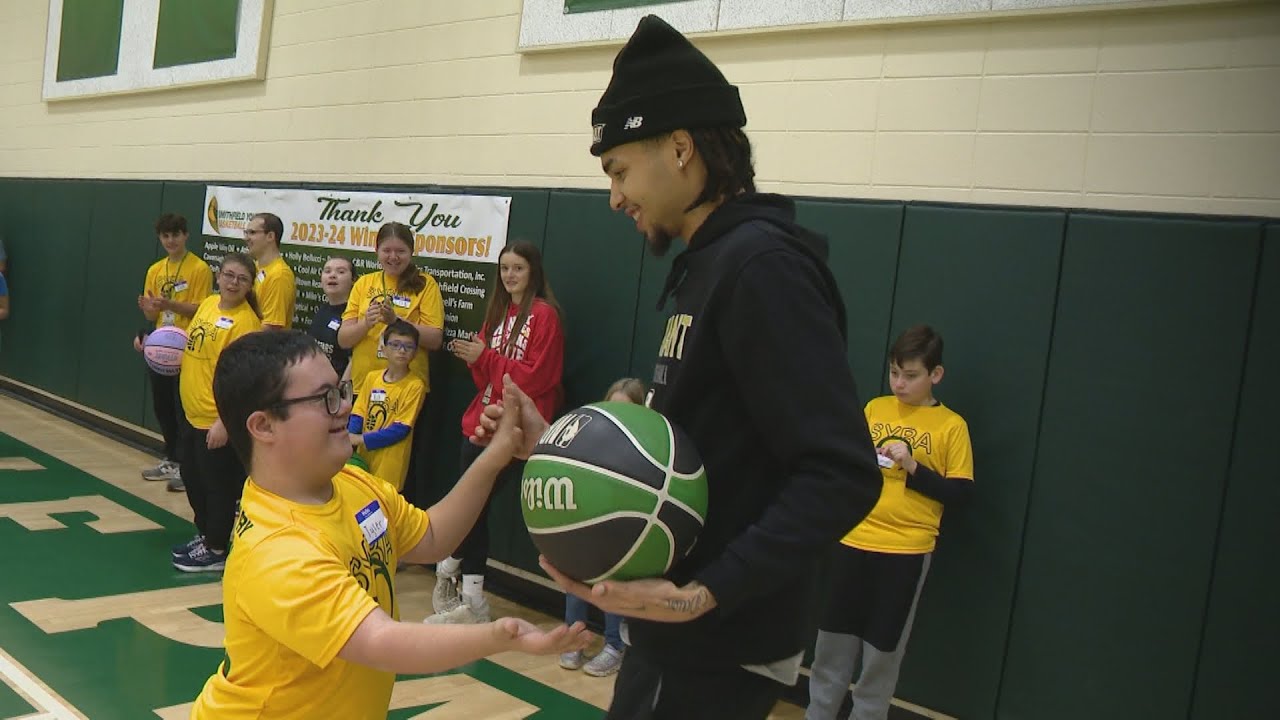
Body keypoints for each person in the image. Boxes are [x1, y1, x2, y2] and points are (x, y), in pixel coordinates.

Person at [478, 16, 883, 719]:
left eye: (620, 170)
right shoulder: (709, 265)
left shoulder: (762, 268)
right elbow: (702, 448)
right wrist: (561, 447)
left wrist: (703, 590)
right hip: (681, 638)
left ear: (681, 147)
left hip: (715, 641)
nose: (615, 197)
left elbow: (842, 472)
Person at [187, 330, 591, 719]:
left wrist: (497, 454)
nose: (345, 405)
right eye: (325, 398)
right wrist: (502, 637)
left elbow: (431, 537)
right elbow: (380, 641)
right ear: (263, 426)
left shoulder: (349, 483)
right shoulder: (278, 551)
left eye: (342, 390)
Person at [805, 325, 974, 720]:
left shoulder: (952, 426)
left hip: (905, 552)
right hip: (853, 541)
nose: (899, 383)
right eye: (894, 372)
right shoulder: (875, 409)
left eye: (910, 375)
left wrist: (913, 466)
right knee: (831, 649)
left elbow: (962, 495)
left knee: (881, 656)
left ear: (936, 375)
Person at [426, 240, 564, 625]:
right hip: (483, 421)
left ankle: (452, 571)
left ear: (532, 271)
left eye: (517, 267)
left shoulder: (544, 315)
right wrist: (477, 358)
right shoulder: (499, 312)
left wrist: (484, 356)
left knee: (475, 507)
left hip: (517, 430)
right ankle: (468, 593)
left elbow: (539, 378)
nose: (509, 275)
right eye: (504, 268)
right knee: (474, 506)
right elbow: (485, 375)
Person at [172, 252, 263, 572]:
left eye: (242, 279)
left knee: (218, 486)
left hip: (216, 419)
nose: (234, 283)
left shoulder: (246, 323)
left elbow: (244, 381)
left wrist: (225, 421)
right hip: (191, 412)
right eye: (229, 275)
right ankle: (207, 534)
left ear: (250, 285)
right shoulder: (210, 305)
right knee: (191, 477)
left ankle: (215, 548)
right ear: (219, 276)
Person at [559, 377, 645, 677]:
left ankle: (614, 646)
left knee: (612, 582)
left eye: (627, 410)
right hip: (587, 523)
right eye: (612, 408)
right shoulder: (591, 437)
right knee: (577, 575)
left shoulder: (646, 446)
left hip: (622, 528)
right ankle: (574, 638)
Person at [135, 213, 213, 492]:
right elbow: (150, 312)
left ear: (186, 235)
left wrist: (169, 303)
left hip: (186, 348)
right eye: (166, 236)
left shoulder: (199, 269)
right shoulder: (155, 269)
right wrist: (148, 311)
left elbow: (200, 309)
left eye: (175, 235)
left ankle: (186, 465)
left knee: (183, 409)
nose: (171, 240)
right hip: (160, 345)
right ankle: (170, 457)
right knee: (162, 405)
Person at [338, 222, 444, 398]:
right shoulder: (363, 283)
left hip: (407, 388)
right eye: (387, 250)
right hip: (364, 385)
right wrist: (366, 323)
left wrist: (396, 321)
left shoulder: (426, 284)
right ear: (377, 251)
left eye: (400, 251)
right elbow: (343, 340)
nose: (393, 257)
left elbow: (434, 339)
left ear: (411, 252)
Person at [347, 320, 426, 492]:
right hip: (362, 461)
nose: (402, 351)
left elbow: (400, 429)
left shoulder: (415, 385)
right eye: (395, 344)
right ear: (383, 347)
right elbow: (358, 413)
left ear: (415, 352)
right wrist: (349, 440)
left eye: (408, 346)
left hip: (390, 467)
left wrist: (361, 439)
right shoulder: (372, 378)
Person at [244, 212, 296, 330]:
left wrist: (236, 333)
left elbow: (272, 327)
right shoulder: (255, 267)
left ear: (270, 236)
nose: (246, 238)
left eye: (252, 233)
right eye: (246, 233)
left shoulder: (279, 275)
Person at [307, 256, 356, 378]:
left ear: (353, 280)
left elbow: (354, 361)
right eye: (327, 271)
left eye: (341, 272)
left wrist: (342, 392)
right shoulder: (322, 310)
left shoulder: (353, 316)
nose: (332, 275)